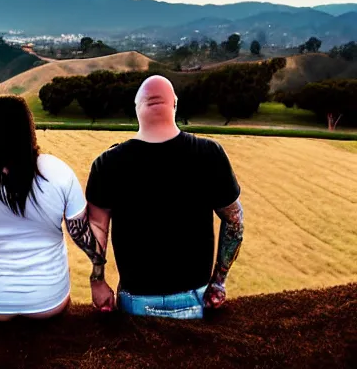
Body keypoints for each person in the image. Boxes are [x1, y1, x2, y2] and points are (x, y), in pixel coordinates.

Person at [0, 94, 107, 320]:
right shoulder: (59, 171)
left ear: (0, 129)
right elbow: (83, 235)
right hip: (49, 301)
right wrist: (98, 278)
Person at [86, 75, 244, 319]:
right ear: (174, 105)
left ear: (137, 109)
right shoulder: (209, 153)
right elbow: (235, 220)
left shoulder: (107, 163)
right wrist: (219, 282)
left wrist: (98, 281)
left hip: (134, 302)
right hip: (195, 299)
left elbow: (96, 227)